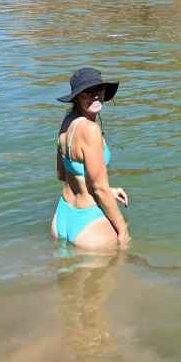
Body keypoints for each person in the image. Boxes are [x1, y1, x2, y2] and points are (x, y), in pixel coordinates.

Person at [51, 66, 130, 250]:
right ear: (77, 97)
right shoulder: (90, 129)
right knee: (115, 271)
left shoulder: (67, 122)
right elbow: (99, 188)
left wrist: (108, 190)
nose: (96, 96)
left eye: (98, 90)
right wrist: (123, 230)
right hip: (88, 223)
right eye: (88, 92)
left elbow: (62, 174)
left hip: (62, 216)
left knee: (68, 278)